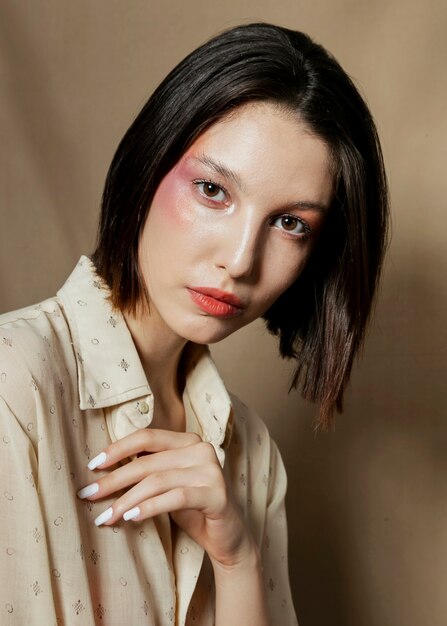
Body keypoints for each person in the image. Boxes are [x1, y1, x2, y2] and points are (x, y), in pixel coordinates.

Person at [0, 22, 388, 626]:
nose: (240, 260)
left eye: (290, 224)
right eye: (212, 190)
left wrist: (236, 561)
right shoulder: (14, 383)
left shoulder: (252, 454)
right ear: (149, 162)